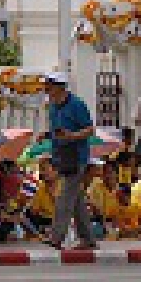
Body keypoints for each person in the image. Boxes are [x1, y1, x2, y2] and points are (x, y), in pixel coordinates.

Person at [44, 70, 97, 252]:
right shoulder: (52, 107)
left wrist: (73, 135)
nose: (47, 89)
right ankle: (88, 238)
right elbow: (54, 131)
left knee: (65, 196)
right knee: (76, 200)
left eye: (49, 85)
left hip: (76, 155)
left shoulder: (77, 105)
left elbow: (90, 129)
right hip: (61, 154)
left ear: (60, 87)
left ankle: (57, 236)